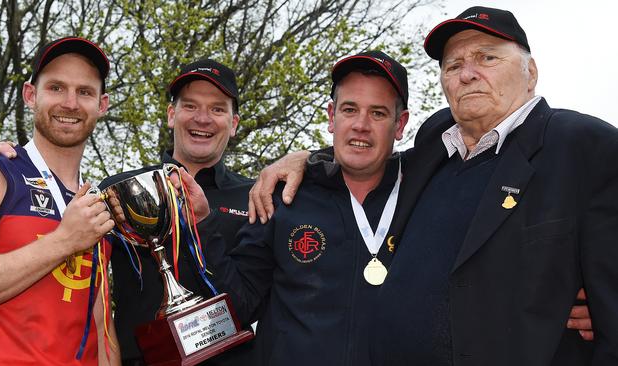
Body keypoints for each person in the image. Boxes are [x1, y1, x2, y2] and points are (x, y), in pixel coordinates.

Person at [251, 6, 615, 365]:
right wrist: (304, 158)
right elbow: (366, 150)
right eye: (454, 66)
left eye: (486, 57)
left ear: (530, 72)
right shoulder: (434, 144)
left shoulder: (583, 146)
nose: (468, 74)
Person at [175, 50, 410, 365]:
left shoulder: (422, 191)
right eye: (349, 109)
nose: (361, 125)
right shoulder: (282, 196)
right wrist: (202, 224)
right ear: (331, 116)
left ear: (400, 123)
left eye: (378, 113)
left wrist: (307, 155)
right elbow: (240, 306)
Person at [0, 37, 119, 365]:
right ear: (30, 95)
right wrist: (64, 241)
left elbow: (101, 328)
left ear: (102, 104)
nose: (70, 103)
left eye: (84, 92)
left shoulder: (98, 206)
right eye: (56, 88)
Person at [99, 59, 254, 365]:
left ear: (234, 123)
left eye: (217, 109)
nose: (203, 119)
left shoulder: (254, 197)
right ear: (172, 115)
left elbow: (251, 303)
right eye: (191, 106)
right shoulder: (118, 191)